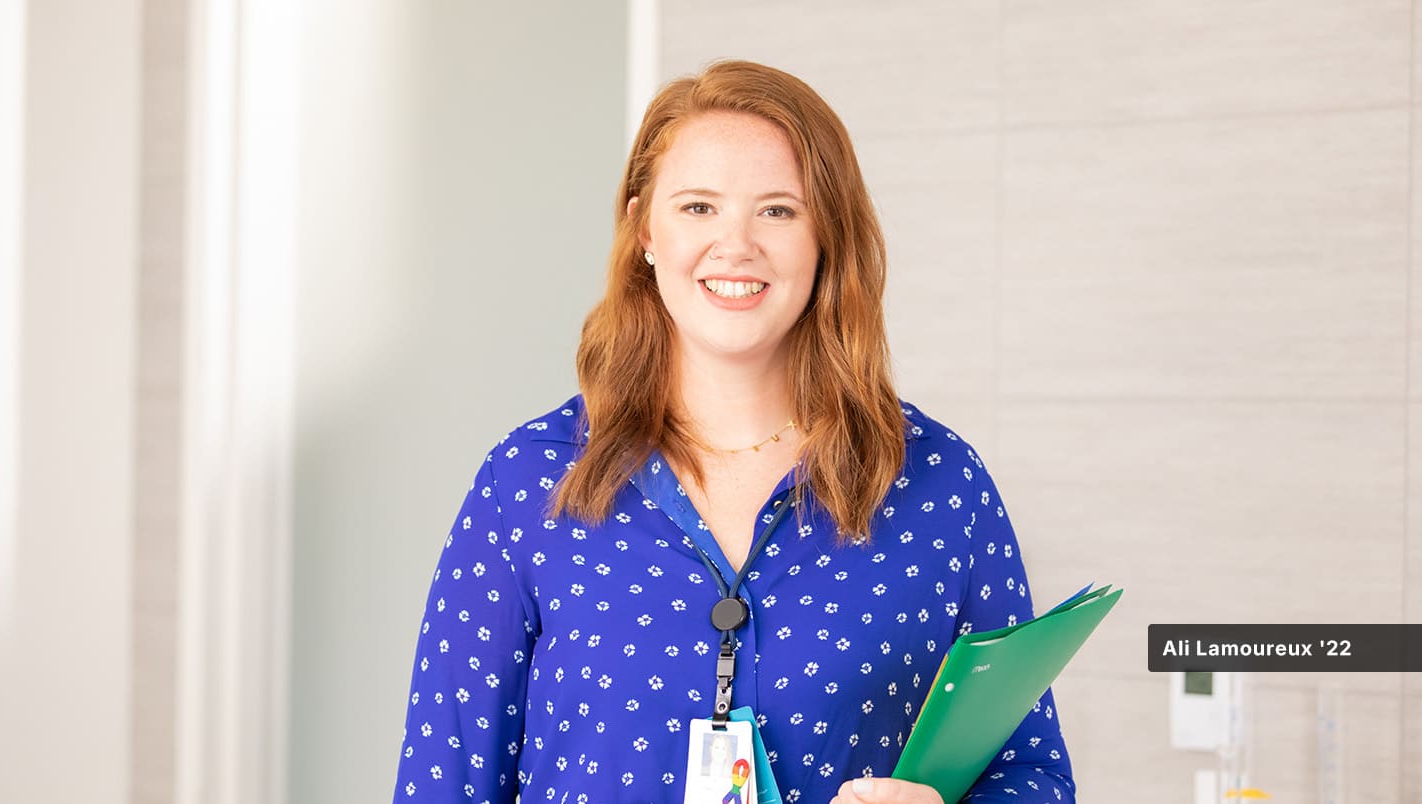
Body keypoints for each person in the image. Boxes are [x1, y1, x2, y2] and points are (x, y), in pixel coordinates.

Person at [391, 60, 1075, 804]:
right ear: (643, 229)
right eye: (697, 208)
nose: (736, 246)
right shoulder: (524, 482)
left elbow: (1030, 773)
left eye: (778, 211)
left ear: (826, 240)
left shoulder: (942, 483)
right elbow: (441, 784)